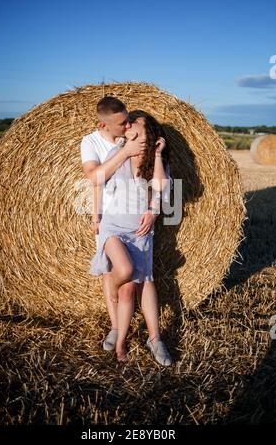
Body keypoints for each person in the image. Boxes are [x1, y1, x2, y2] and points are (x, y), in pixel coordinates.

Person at [80, 98, 172, 366]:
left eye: (133, 122)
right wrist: (95, 215)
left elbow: (163, 188)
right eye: (125, 123)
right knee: (124, 274)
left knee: (139, 284)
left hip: (139, 229)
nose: (128, 125)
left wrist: (154, 210)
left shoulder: (153, 158)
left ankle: (152, 339)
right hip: (112, 224)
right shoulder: (107, 147)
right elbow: (95, 180)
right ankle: (118, 329)